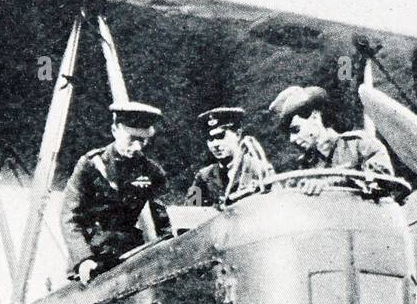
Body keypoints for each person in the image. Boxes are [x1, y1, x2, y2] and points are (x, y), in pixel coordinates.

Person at [60, 101, 173, 284]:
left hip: (130, 257)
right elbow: (69, 217)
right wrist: (83, 259)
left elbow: (163, 220)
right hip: (91, 258)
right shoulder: (90, 165)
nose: (137, 147)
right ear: (115, 130)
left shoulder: (152, 172)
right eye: (132, 139)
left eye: (143, 140)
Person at [268, 85, 394, 179]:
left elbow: (383, 180)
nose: (292, 139)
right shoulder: (306, 165)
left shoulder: (359, 144)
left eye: (296, 130)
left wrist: (337, 181)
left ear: (315, 116)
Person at [185, 106, 275, 207]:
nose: (215, 144)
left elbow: (275, 207)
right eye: (210, 139)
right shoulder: (204, 177)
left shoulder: (259, 169)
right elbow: (190, 213)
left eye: (220, 136)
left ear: (238, 134)